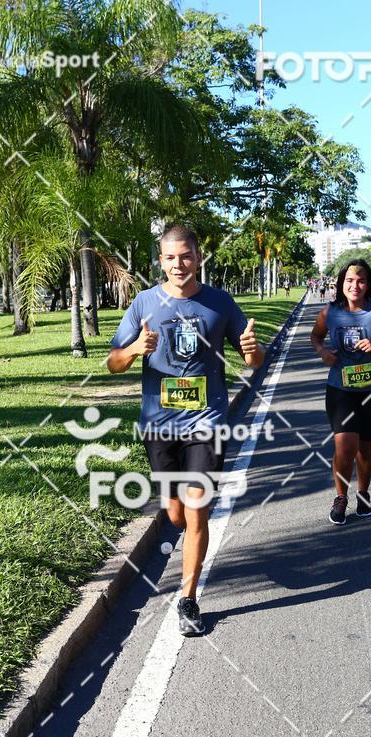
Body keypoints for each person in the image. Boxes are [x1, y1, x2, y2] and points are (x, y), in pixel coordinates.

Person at [107, 225, 265, 635]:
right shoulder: (144, 304)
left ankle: (188, 598)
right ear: (161, 261)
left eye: (187, 255)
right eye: (171, 257)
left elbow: (254, 360)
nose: (180, 264)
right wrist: (133, 350)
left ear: (199, 257)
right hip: (159, 427)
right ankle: (183, 526)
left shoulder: (219, 303)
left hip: (207, 423)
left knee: (196, 510)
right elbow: (113, 362)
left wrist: (251, 352)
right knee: (176, 512)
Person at [310, 259, 371, 525]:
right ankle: (341, 497)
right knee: (345, 446)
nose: (355, 285)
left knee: (366, 450)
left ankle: (363, 493)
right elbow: (315, 336)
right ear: (341, 284)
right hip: (341, 390)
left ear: (368, 283)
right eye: (349, 280)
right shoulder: (330, 312)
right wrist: (322, 352)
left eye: (361, 280)